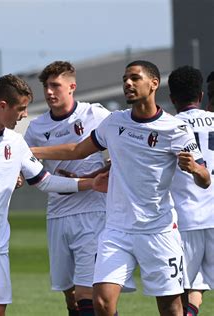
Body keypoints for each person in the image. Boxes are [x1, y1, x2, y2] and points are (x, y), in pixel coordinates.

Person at [31, 60, 211, 316]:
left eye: (135, 78)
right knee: (102, 302)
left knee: (171, 308)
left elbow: (205, 179)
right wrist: (28, 151)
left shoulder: (176, 128)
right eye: (125, 79)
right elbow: (77, 150)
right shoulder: (114, 123)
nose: (128, 83)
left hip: (158, 231)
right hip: (117, 230)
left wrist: (194, 168)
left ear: (154, 84)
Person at [0, 74, 107, 316]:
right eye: (21, 108)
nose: (25, 115)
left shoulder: (16, 142)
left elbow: (45, 181)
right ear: (2, 106)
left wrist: (90, 183)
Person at [24, 61, 111, 316]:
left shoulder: (95, 115)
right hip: (58, 214)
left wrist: (94, 175)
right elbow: (25, 166)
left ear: (72, 86)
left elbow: (119, 157)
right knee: (70, 295)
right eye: (46, 86)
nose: (49, 92)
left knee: (87, 293)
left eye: (55, 86)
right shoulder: (36, 128)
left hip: (93, 212)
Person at [168, 65, 214, 316]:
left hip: (186, 217)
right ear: (201, 95)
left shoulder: (168, 126)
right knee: (199, 284)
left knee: (181, 286)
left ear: (172, 98)